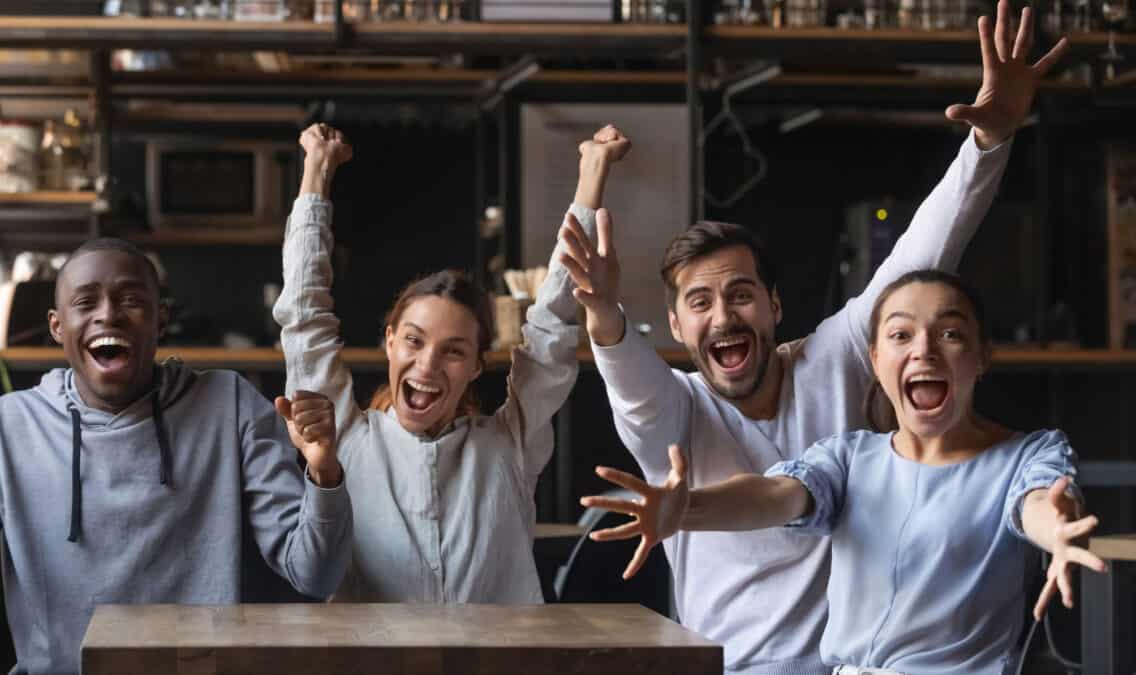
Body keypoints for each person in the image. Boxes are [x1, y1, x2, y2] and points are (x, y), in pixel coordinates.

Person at [556, 1, 1068, 672]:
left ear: (774, 304)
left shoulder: (831, 358)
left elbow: (919, 260)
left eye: (741, 294)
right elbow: (631, 376)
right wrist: (600, 312)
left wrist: (990, 142)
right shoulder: (674, 410)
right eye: (700, 303)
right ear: (678, 326)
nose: (724, 316)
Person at [582, 269, 1105, 674]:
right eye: (901, 336)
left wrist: (1055, 529)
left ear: (981, 357)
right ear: (877, 360)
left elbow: (1041, 501)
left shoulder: (1027, 454)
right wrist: (688, 509)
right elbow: (776, 494)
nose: (923, 348)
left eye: (949, 333)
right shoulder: (850, 457)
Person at [0, 238, 353, 675]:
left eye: (131, 299)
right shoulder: (4, 429)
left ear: (161, 319)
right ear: (58, 327)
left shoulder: (230, 405)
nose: (108, 313)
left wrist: (323, 470)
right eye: (86, 301)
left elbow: (314, 575)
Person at [274, 122, 629, 602]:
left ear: (476, 367)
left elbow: (550, 332)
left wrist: (592, 174)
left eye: (454, 351)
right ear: (389, 342)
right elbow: (303, 316)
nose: (428, 364)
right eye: (414, 342)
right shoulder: (347, 441)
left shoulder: (509, 446)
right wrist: (314, 174)